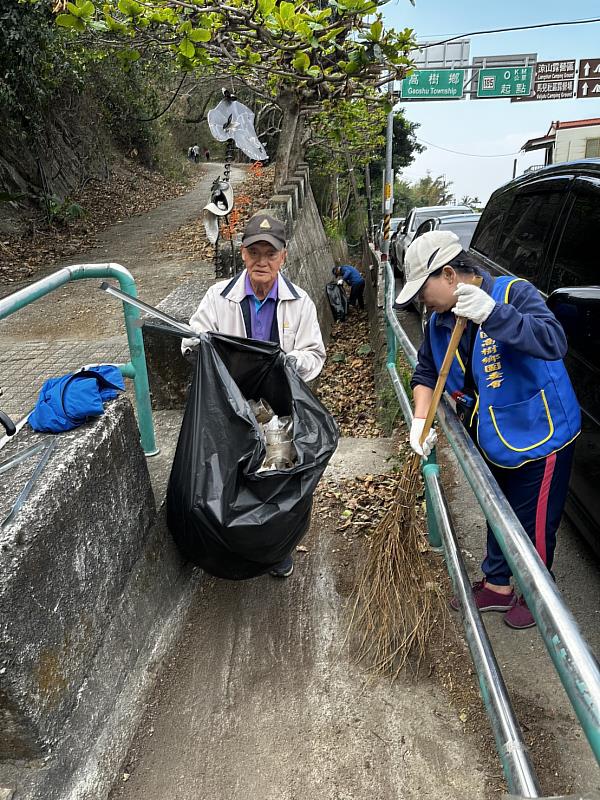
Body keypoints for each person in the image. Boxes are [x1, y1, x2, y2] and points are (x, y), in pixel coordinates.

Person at [396, 231, 581, 630]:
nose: (419, 301)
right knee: (497, 510)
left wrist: (494, 315)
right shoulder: (441, 321)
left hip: (540, 431)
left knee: (534, 520)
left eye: (422, 290)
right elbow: (427, 372)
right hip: (491, 432)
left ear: (448, 274)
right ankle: (498, 586)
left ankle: (538, 594)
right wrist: (419, 419)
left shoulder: (514, 294)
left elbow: (553, 341)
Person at [181, 212, 326, 579]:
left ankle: (277, 549)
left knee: (281, 478)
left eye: (270, 254)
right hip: (228, 407)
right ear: (242, 255)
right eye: (253, 252)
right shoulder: (218, 297)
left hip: (281, 409)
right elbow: (191, 340)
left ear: (283, 257)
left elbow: (315, 354)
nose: (262, 262)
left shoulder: (300, 302)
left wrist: (290, 363)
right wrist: (200, 349)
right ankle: (227, 546)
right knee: (230, 476)